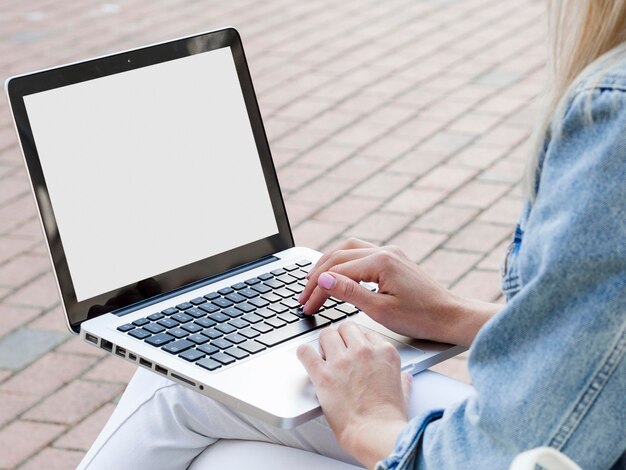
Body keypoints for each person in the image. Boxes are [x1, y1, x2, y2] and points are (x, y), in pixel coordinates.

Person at [79, 1, 626, 468]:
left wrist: (370, 419)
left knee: (188, 406)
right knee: (200, 413)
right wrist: (449, 314)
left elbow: (499, 456)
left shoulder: (614, 112)